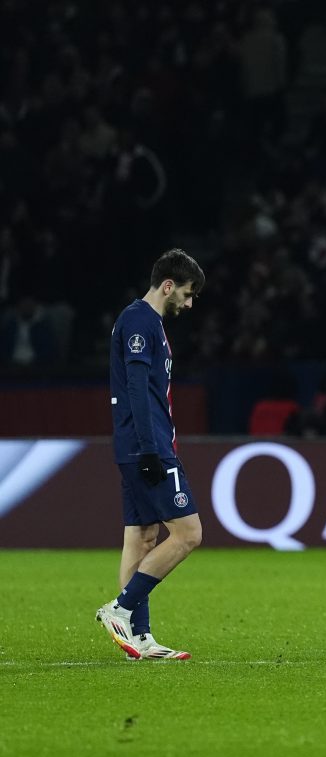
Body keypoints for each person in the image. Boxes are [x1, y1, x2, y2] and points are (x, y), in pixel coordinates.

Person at [95, 249, 206, 661]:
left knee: (141, 536)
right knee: (189, 534)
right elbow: (137, 388)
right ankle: (121, 609)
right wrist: (149, 448)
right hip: (148, 445)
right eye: (188, 294)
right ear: (168, 286)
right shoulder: (141, 321)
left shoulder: (144, 321)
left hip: (137, 445)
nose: (189, 304)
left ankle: (138, 637)